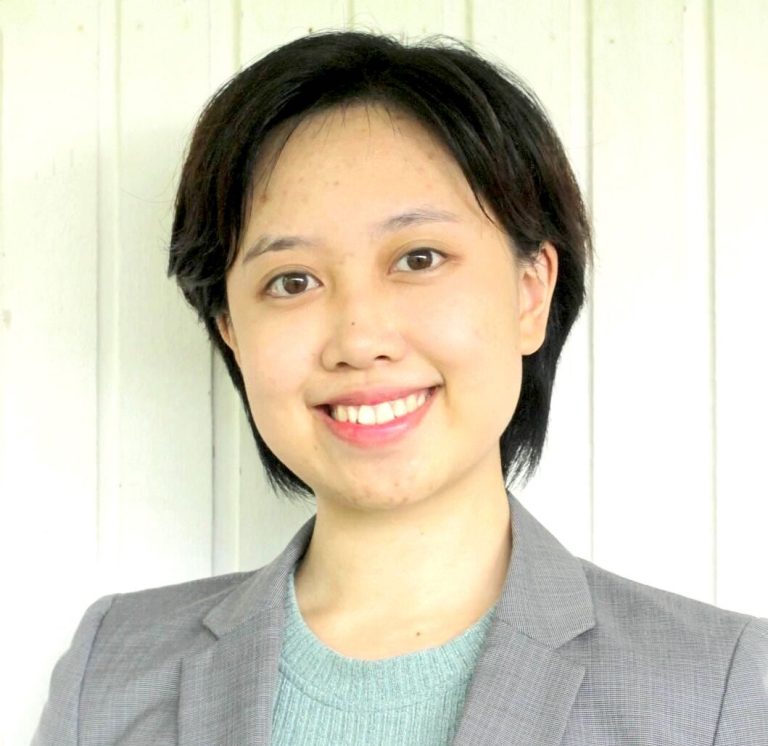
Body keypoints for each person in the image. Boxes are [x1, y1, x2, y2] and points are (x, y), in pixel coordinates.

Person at [33, 30, 767, 746]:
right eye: (292, 281)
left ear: (529, 293)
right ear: (230, 329)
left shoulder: (720, 688)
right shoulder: (108, 671)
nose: (359, 339)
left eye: (418, 258)